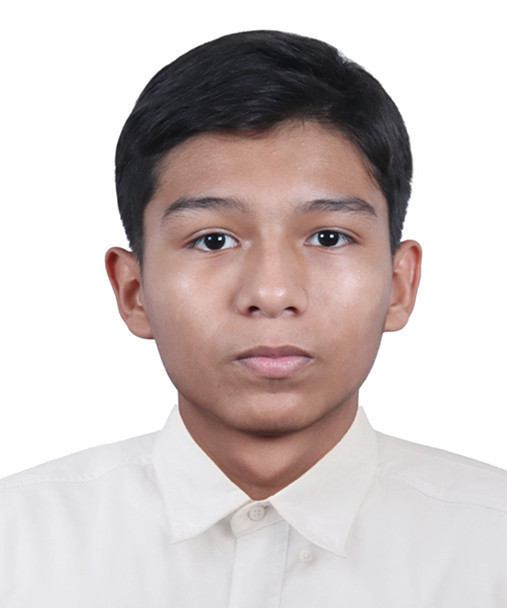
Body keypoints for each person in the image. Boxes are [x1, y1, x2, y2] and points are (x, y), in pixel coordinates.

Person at [1, 30, 506, 607]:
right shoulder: (17, 548)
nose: (271, 293)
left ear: (399, 284)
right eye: (213, 240)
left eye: (328, 236)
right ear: (134, 291)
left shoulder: (492, 549)